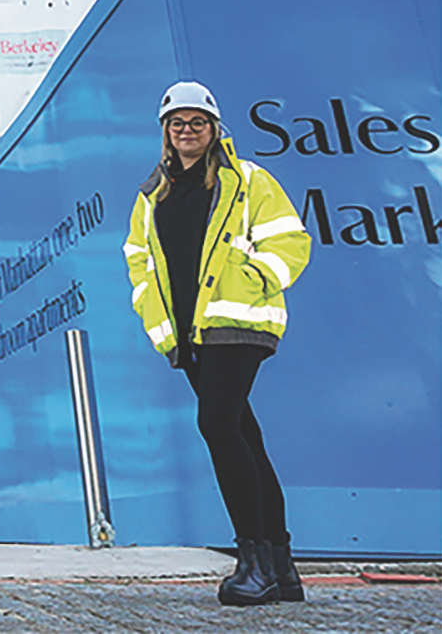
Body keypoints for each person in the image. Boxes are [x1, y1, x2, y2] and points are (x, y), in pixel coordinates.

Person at [124, 81, 311, 607]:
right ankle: (281, 564)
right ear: (165, 131)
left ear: (214, 128)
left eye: (197, 122)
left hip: (238, 321)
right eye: (178, 123)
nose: (188, 131)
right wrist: (153, 313)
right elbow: (139, 259)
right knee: (242, 432)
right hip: (191, 332)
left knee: (217, 423)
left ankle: (252, 561)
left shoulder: (246, 180)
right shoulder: (152, 193)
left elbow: (291, 239)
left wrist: (254, 276)